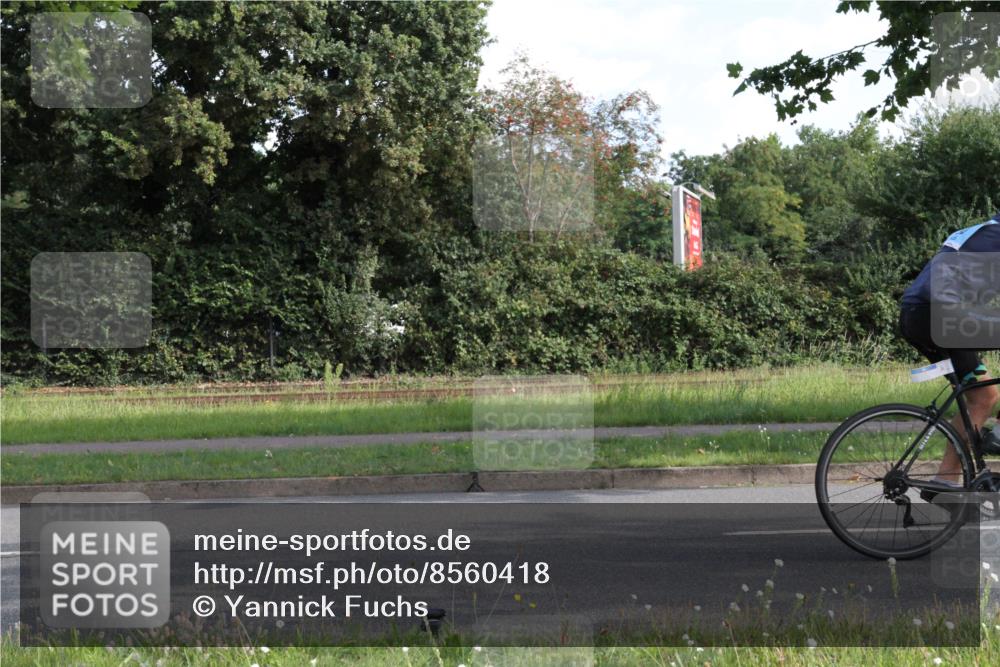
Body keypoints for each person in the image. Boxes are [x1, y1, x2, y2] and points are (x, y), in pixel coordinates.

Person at [899, 213, 1000, 489]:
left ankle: (945, 482)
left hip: (919, 314)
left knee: (983, 397)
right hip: (940, 314)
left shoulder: (983, 231)